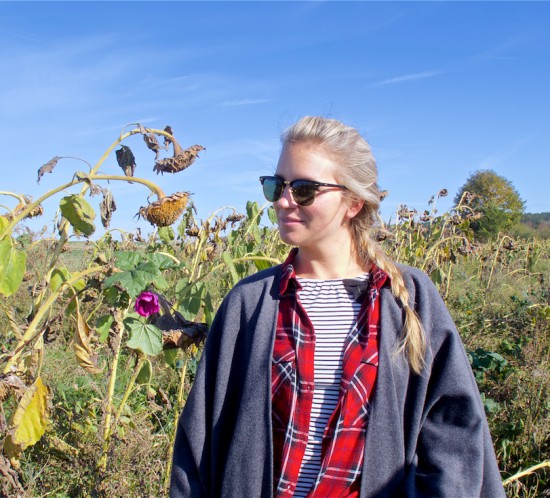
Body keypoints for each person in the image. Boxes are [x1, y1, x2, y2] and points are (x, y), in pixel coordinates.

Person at [170, 116, 506, 497]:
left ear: (353, 202)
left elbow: (454, 436)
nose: (283, 200)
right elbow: (197, 445)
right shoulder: (249, 303)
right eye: (275, 185)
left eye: (303, 189)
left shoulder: (409, 298)